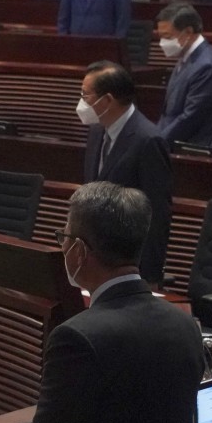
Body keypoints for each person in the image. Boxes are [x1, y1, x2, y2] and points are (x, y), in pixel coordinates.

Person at [20, 181, 204, 423]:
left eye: (64, 237)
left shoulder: (77, 338)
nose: (63, 247)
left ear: (79, 251)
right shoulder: (184, 325)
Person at [78, 61, 172, 284]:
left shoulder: (148, 140)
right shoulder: (96, 131)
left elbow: (156, 214)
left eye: (85, 96)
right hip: (96, 261)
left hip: (127, 266)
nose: (82, 102)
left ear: (107, 100)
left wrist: (148, 277)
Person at [155, 2, 212, 149]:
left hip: (195, 150)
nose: (162, 43)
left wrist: (156, 143)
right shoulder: (186, 57)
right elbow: (168, 113)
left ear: (188, 32)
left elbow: (190, 117)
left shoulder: (207, 66)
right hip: (175, 144)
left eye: (167, 37)